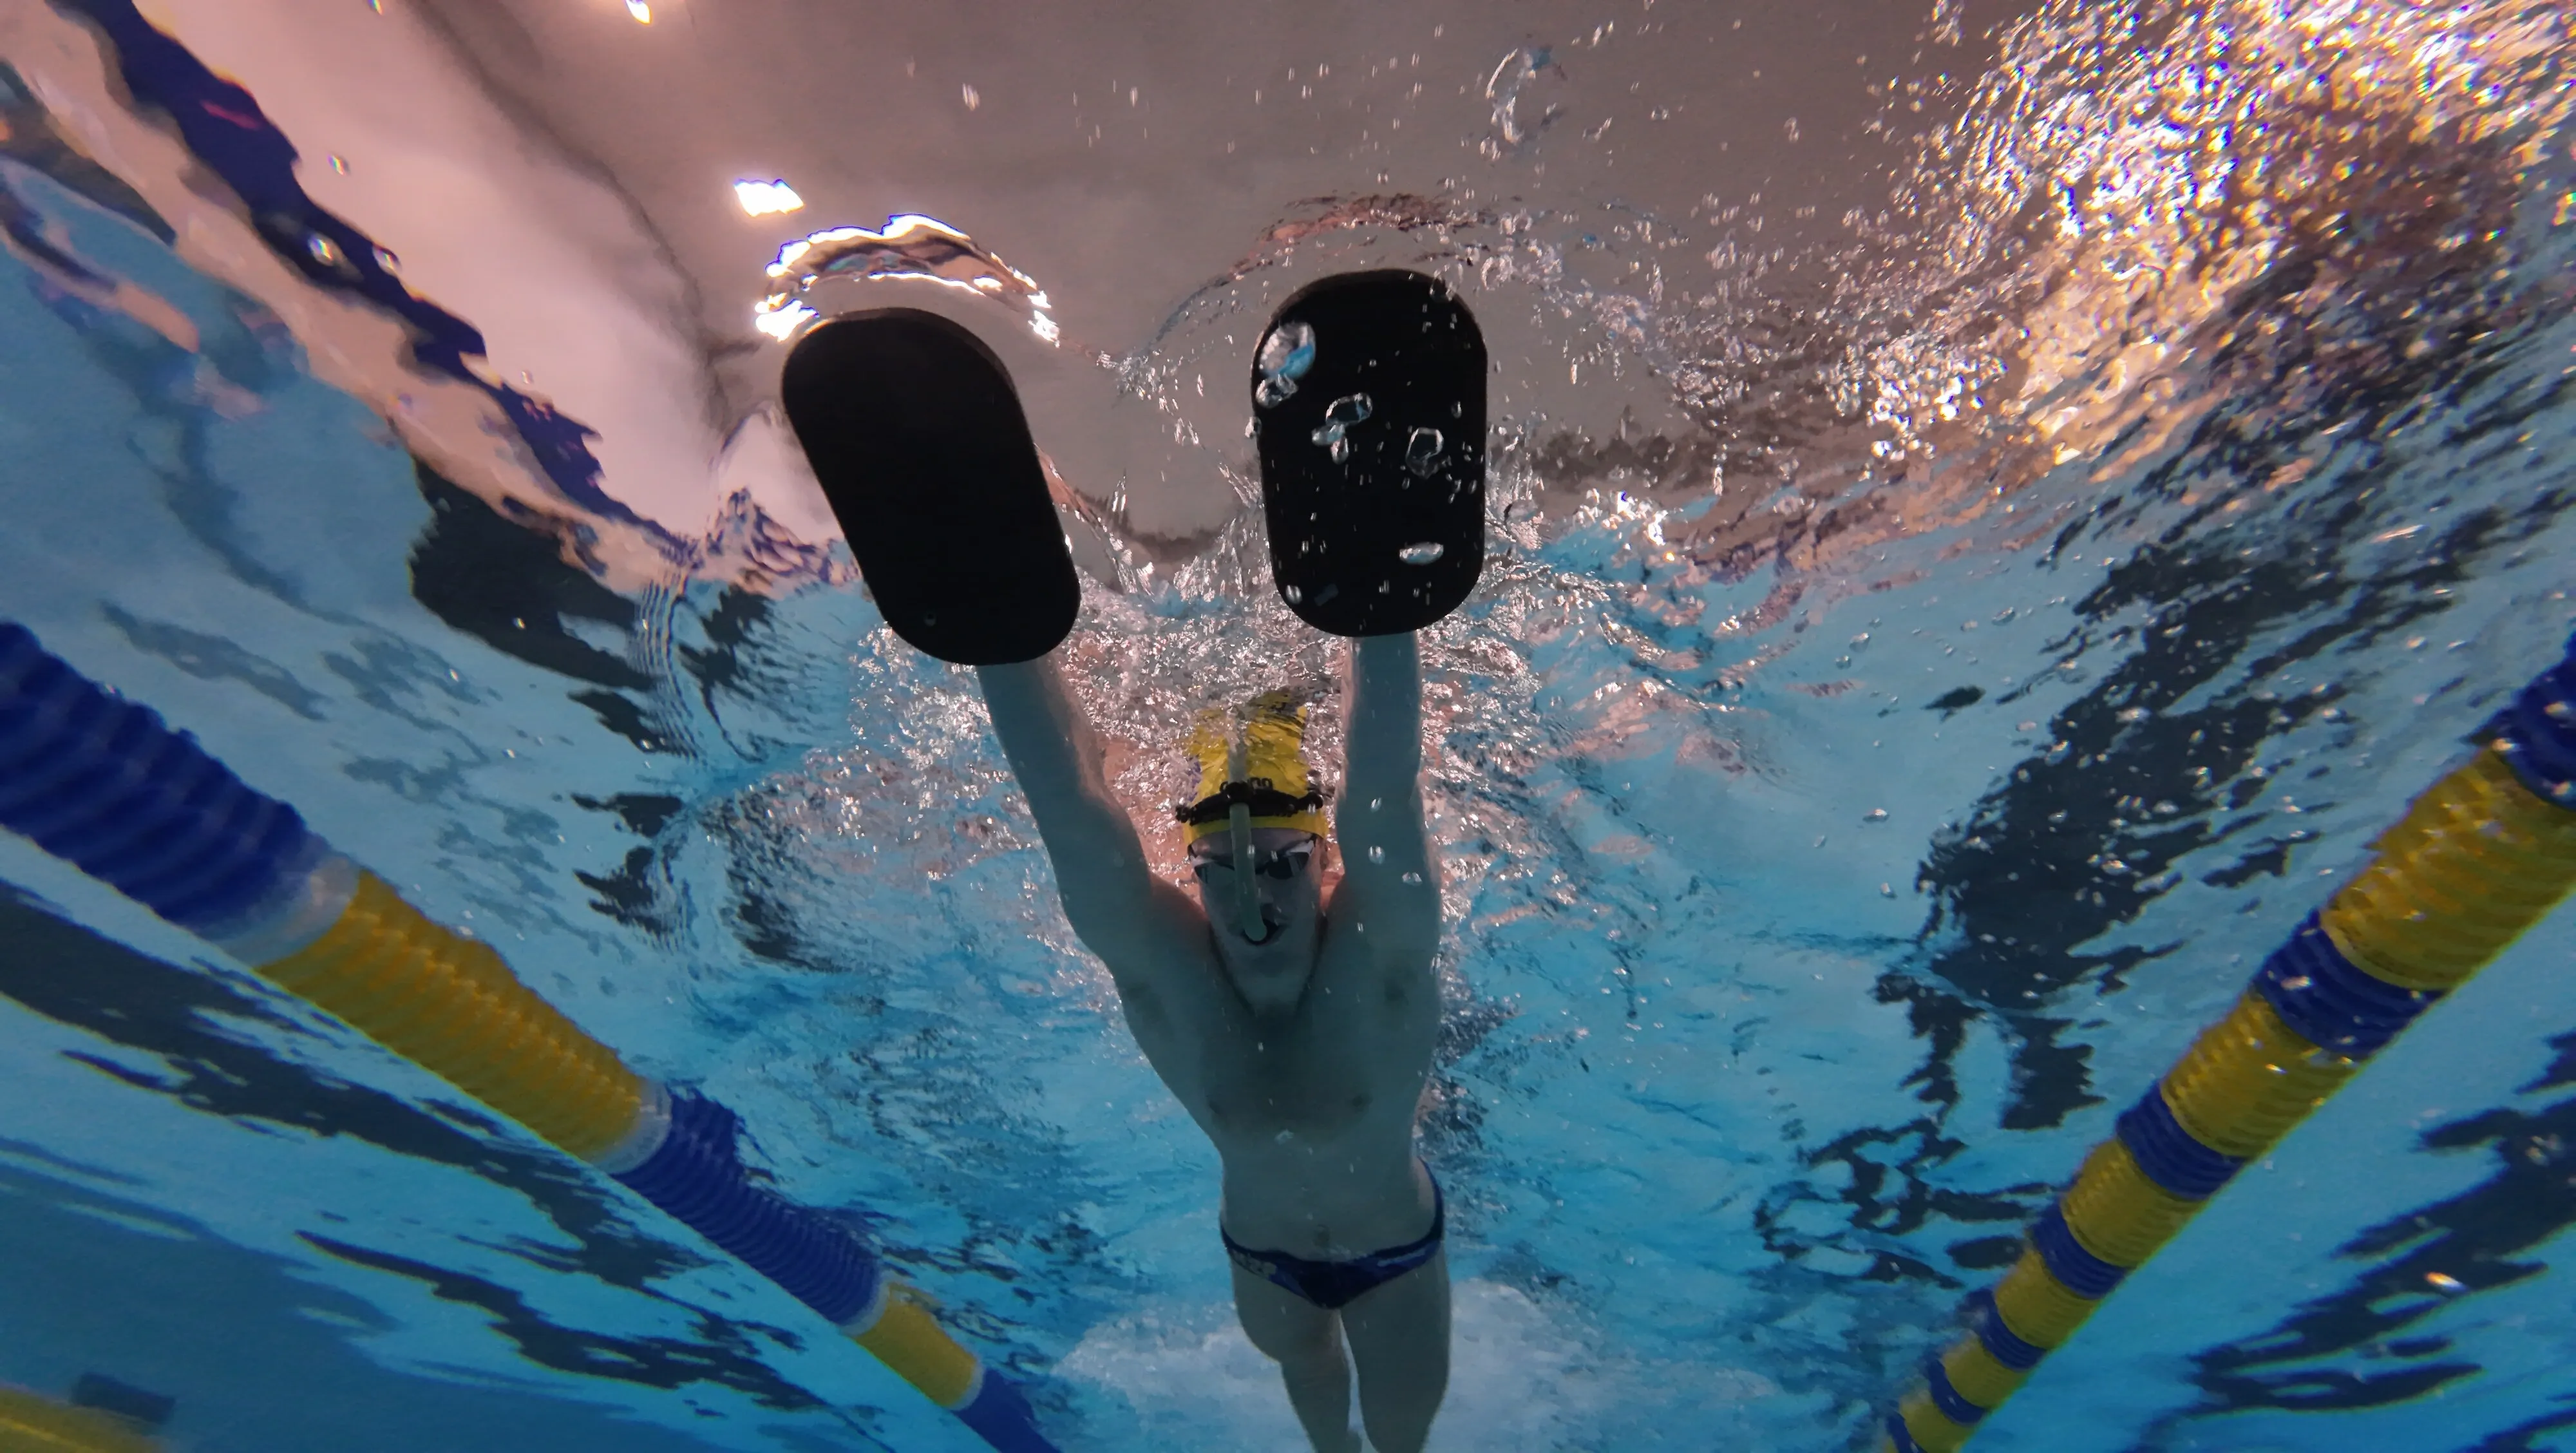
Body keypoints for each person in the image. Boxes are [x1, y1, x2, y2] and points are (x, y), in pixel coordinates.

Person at [975, 639, 1448, 1453]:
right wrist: (1001, 642)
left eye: (1281, 864)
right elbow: (1067, 807)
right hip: (1263, 1262)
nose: (1249, 897)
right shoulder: (1171, 971)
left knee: (1399, 1439)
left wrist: (1383, 625)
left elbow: (1384, 793)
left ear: (1324, 860)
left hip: (1392, 1257)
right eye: (1220, 868)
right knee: (1313, 1388)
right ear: (1190, 871)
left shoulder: (1379, 957)